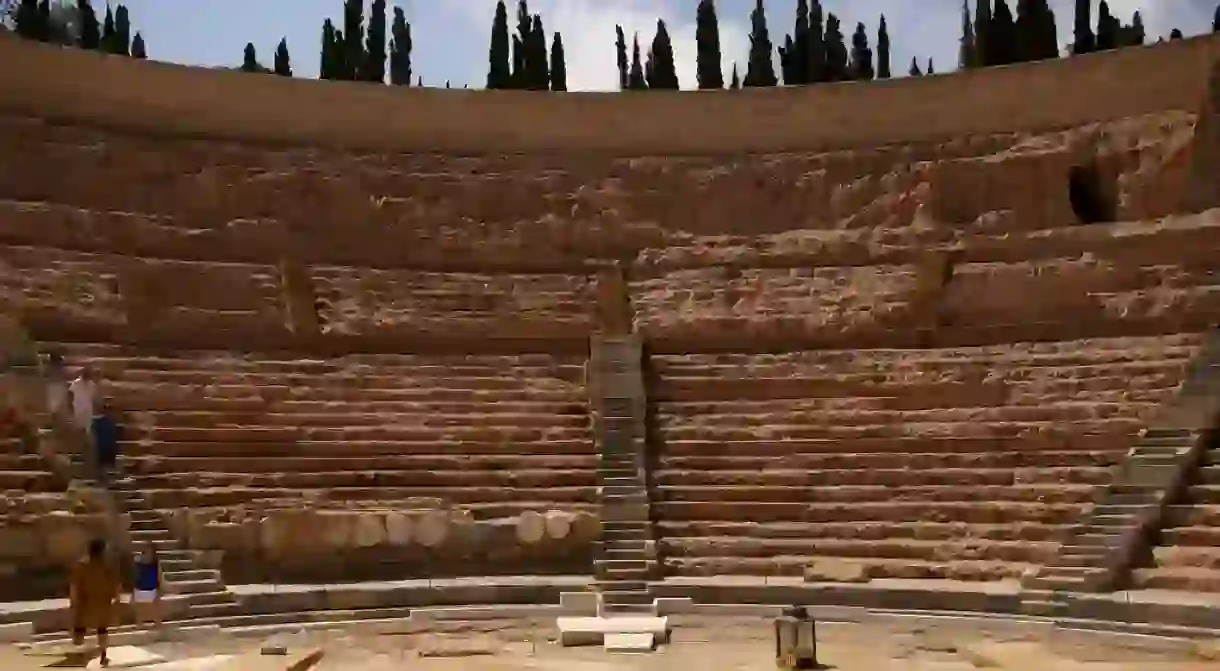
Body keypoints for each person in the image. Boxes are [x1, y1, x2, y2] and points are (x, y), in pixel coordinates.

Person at [70, 538, 122, 667]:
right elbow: (75, 585)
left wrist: (116, 597)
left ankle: (101, 655)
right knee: (98, 629)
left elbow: (115, 582)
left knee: (96, 629)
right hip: (91, 601)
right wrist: (117, 597)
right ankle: (97, 655)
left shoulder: (101, 565)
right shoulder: (88, 565)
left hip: (95, 601)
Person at [131, 542, 163, 629]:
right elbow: (134, 574)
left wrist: (160, 586)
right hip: (140, 586)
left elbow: (159, 574)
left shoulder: (155, 562)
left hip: (151, 587)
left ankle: (157, 623)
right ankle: (139, 623)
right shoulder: (137, 561)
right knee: (139, 607)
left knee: (156, 605)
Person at [91, 400, 123, 483]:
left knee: (108, 465)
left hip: (109, 447)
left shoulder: (110, 421)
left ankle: (108, 480)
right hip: (102, 447)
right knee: (104, 465)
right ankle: (105, 479)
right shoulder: (97, 422)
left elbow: (115, 435)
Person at [69, 364, 100, 435]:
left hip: (88, 413)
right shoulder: (75, 383)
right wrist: (71, 409)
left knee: (87, 432)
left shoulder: (92, 384)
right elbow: (70, 395)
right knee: (78, 432)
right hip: (77, 411)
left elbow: (94, 399)